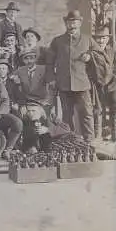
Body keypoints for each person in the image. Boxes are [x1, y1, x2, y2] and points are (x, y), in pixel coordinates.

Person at [45, 10, 103, 144]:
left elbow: (99, 54)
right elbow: (49, 61)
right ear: (66, 23)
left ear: (80, 23)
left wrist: (90, 56)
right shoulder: (57, 41)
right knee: (67, 115)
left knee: (87, 113)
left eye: (75, 22)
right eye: (69, 22)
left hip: (82, 83)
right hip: (64, 84)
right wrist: (52, 78)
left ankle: (89, 141)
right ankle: (69, 141)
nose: (72, 25)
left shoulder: (88, 39)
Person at [91, 26, 116, 141]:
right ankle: (98, 136)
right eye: (98, 38)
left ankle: (115, 135)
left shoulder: (113, 51)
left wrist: (113, 79)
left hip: (112, 85)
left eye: (104, 38)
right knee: (98, 110)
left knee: (114, 109)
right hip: (97, 86)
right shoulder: (92, 52)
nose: (101, 41)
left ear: (108, 39)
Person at [13, 48, 53, 117]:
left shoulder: (44, 69)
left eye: (31, 58)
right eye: (26, 59)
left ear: (35, 59)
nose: (29, 61)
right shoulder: (20, 70)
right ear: (23, 60)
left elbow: (52, 86)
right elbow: (11, 81)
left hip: (42, 101)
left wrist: (48, 101)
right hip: (27, 102)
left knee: (45, 120)